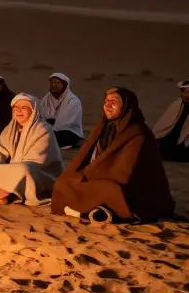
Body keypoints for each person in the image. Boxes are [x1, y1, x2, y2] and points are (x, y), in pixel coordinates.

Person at [52, 87, 174, 222]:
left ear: (126, 106)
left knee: (108, 190)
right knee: (64, 182)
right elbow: (87, 156)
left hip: (133, 187)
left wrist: (91, 175)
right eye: (106, 101)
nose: (108, 106)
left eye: (113, 102)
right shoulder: (106, 127)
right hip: (102, 176)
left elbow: (124, 172)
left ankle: (87, 212)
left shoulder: (138, 133)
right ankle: (94, 210)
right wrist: (83, 174)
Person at [0, 93, 63, 205]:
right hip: (12, 171)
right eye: (15, 108)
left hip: (39, 173)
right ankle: (1, 192)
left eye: (23, 108)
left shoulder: (43, 129)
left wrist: (8, 169)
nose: (18, 111)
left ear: (33, 111)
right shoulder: (10, 128)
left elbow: (36, 161)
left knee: (23, 170)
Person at [39, 73, 84, 149]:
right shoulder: (45, 99)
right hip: (49, 129)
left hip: (67, 131)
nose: (54, 85)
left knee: (55, 137)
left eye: (57, 83)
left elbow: (66, 122)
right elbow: (40, 117)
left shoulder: (72, 100)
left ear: (65, 85)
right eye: (52, 83)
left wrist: (49, 130)